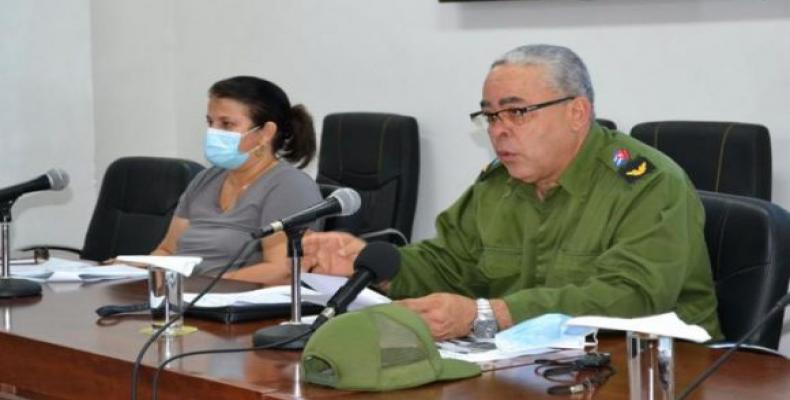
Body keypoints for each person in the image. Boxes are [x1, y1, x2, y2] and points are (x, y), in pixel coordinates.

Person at [302, 45, 723, 341]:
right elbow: (449, 263)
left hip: (658, 371)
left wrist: (490, 315)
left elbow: (631, 297)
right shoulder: (499, 184)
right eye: (489, 115)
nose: (498, 129)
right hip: (536, 368)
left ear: (577, 112)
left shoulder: (647, 183)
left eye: (517, 111)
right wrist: (373, 264)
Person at [153, 76, 322, 284]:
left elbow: (283, 269)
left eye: (226, 124)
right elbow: (167, 250)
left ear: (266, 133)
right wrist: (131, 269)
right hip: (182, 299)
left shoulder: (291, 186)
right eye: (210, 122)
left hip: (236, 307)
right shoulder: (206, 178)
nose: (213, 132)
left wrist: (204, 286)